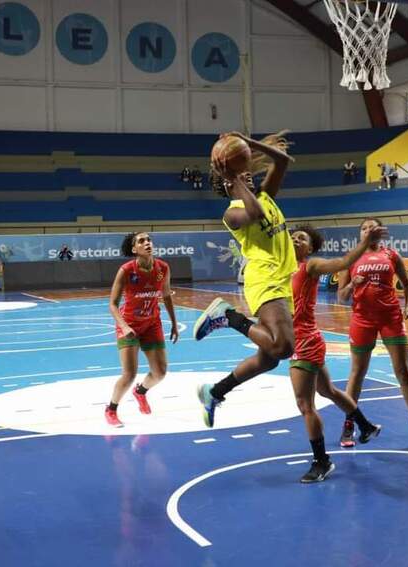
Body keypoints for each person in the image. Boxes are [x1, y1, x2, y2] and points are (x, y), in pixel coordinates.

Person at [193, 131, 297, 428]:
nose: (248, 175)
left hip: (283, 280)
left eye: (247, 172)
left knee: (268, 359)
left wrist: (248, 143)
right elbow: (255, 211)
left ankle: (215, 392)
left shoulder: (264, 195)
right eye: (241, 175)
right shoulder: (232, 213)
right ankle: (227, 316)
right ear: (230, 185)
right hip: (264, 279)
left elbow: (283, 160)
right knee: (283, 347)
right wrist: (233, 180)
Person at [289, 223, 385, 482]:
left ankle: (322, 462)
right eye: (293, 237)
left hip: (305, 341)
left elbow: (342, 262)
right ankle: (365, 426)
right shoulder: (281, 269)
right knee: (327, 391)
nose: (296, 240)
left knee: (305, 404)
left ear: (311, 248)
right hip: (304, 338)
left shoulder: (310, 266)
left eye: (302, 239)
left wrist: (365, 243)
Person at [337, 218, 408, 449]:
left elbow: (407, 284)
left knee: (403, 371)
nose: (368, 230)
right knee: (357, 373)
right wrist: (353, 285)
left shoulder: (392, 255)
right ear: (359, 234)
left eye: (372, 227)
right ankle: (349, 425)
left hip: (391, 318)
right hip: (362, 320)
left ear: (380, 232)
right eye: (363, 228)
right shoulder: (350, 259)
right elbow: (341, 296)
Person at [105, 231, 179, 427]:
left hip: (152, 323)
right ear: (134, 249)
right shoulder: (126, 270)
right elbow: (112, 304)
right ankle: (111, 409)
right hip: (129, 324)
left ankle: (141, 392)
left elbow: (167, 296)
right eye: (141, 241)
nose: (147, 243)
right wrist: (124, 326)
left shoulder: (163, 268)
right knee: (129, 374)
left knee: (160, 372)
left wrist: (173, 323)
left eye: (149, 240)